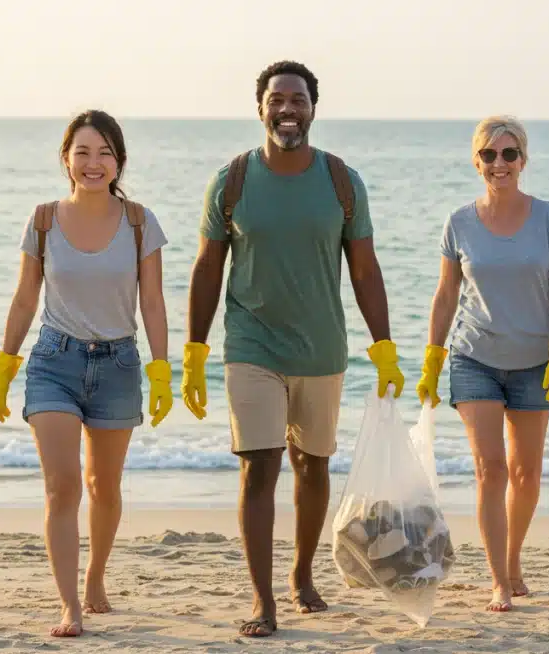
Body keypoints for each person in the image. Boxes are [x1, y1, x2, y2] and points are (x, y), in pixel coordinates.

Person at [182, 60, 403, 638]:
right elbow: (208, 269)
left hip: (321, 349)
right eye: (277, 99)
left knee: (313, 465)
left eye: (298, 99)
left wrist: (385, 346)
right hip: (251, 345)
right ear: (260, 108)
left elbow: (365, 268)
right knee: (260, 467)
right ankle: (263, 600)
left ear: (313, 107)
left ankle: (302, 576)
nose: (287, 108)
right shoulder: (231, 181)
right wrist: (194, 352)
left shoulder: (340, 181)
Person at [0, 110, 173, 638]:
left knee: (104, 486)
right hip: (54, 361)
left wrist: (162, 370)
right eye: (83, 152)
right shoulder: (44, 219)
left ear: (119, 161)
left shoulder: (140, 221)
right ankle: (69, 604)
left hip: (118, 362)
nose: (94, 163)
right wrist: (5, 365)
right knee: (63, 486)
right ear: (66, 158)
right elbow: (25, 299)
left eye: (105, 153)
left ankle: (95, 578)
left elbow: (153, 303)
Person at [415, 115, 549, 612]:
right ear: (476, 160)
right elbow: (446, 295)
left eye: (508, 154)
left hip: (533, 362)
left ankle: (513, 560)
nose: (498, 163)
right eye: (488, 154)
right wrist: (432, 358)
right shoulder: (459, 222)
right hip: (473, 357)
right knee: (491, 468)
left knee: (527, 473)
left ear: (523, 161)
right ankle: (499, 580)